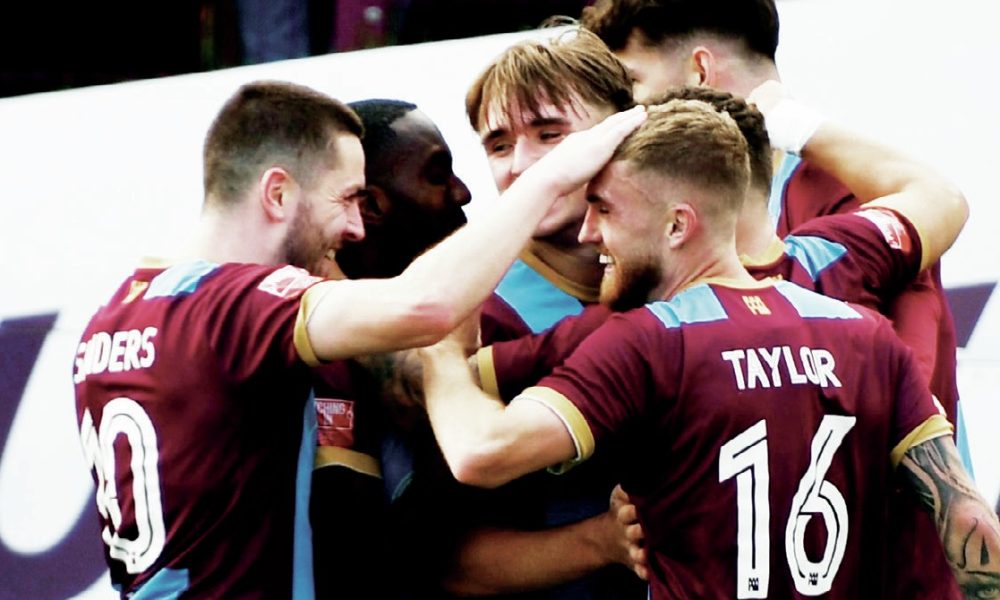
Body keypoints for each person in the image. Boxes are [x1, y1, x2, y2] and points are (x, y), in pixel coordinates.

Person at [72, 80, 646, 598]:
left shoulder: (113, 318)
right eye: (346, 198)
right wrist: (551, 177)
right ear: (277, 194)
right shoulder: (233, 307)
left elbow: (403, 372)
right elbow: (426, 306)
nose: (354, 226)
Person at [419, 99, 1000, 599]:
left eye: (605, 208)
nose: (589, 231)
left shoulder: (646, 342)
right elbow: (972, 522)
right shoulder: (865, 334)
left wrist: (439, 350)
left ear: (677, 226)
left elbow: (481, 452)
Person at [308, 98, 473, 599]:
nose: (463, 192)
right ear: (371, 206)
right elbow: (412, 390)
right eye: (438, 175)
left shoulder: (478, 303)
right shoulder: (290, 339)